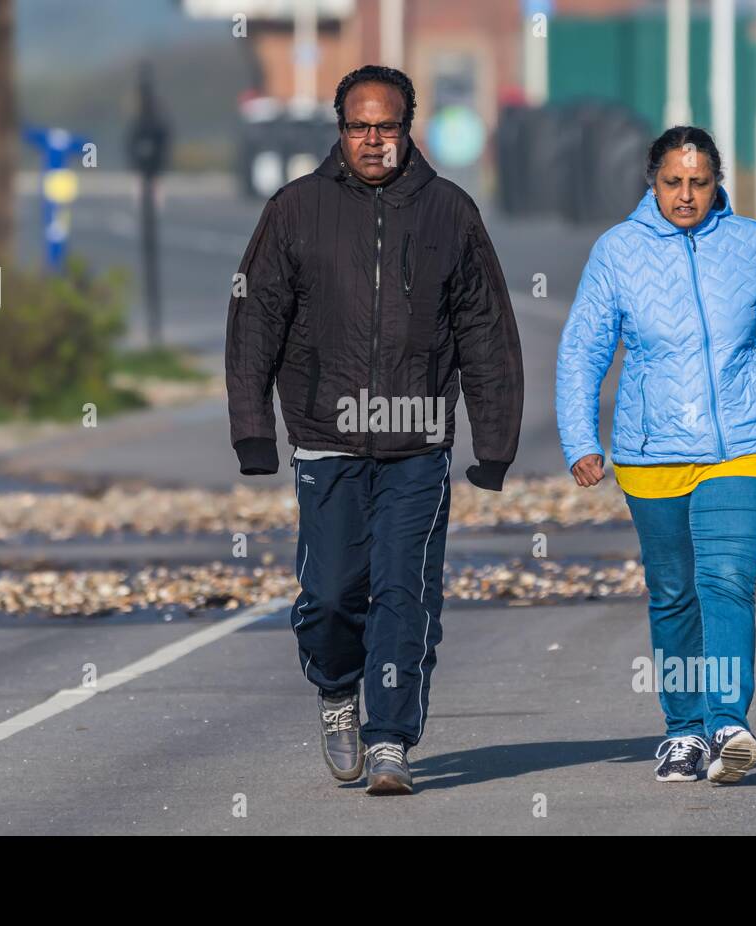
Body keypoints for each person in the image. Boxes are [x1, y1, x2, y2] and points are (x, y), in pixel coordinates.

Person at [226, 65, 524, 795]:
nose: (372, 140)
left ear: (408, 128)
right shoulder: (295, 210)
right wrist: (252, 432)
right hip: (325, 437)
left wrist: (493, 444)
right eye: (359, 127)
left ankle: (390, 737)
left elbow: (485, 329)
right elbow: (256, 318)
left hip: (418, 445)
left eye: (386, 127)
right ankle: (335, 691)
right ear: (339, 130)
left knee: (403, 592)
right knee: (329, 595)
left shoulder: (450, 213)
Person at [555, 126, 756, 785]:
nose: (687, 195)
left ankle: (727, 723)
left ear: (717, 182)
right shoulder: (617, 252)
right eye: (674, 182)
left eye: (699, 182)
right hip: (652, 450)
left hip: (745, 444)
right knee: (673, 593)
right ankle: (682, 732)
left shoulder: (749, 244)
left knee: (724, 580)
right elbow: (583, 350)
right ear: (652, 182)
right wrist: (581, 440)